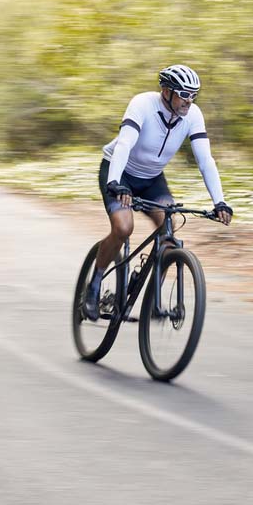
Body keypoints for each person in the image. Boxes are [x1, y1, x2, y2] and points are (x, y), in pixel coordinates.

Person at [83, 64, 233, 320]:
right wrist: (116, 182)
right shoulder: (143, 104)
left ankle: (152, 300)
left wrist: (219, 201)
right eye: (184, 94)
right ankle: (93, 287)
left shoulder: (193, 115)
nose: (189, 100)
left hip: (152, 179)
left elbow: (205, 160)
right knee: (122, 228)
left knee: (168, 231)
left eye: (194, 95)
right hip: (119, 172)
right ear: (166, 91)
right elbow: (125, 144)